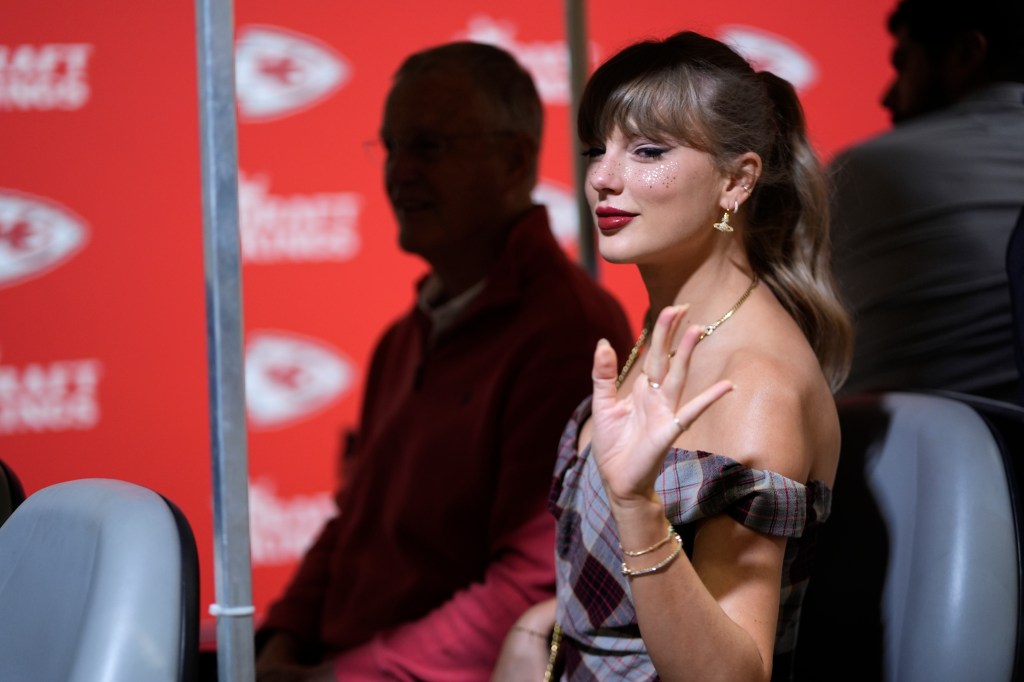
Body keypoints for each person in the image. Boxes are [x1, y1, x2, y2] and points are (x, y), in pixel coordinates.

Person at [254, 42, 633, 681]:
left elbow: (529, 591)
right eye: (391, 146)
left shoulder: (568, 334)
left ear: (513, 160)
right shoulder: (404, 337)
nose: (398, 172)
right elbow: (353, 523)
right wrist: (281, 638)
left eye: (428, 146)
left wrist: (335, 679)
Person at [492, 31, 851, 682]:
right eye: (597, 150)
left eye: (648, 151)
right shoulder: (676, 330)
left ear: (737, 181)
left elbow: (733, 674)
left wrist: (636, 508)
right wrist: (538, 627)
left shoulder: (755, 385)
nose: (602, 176)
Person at [829, 0, 1024, 402]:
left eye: (903, 65)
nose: (888, 97)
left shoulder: (870, 167)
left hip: (889, 451)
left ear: (966, 54)